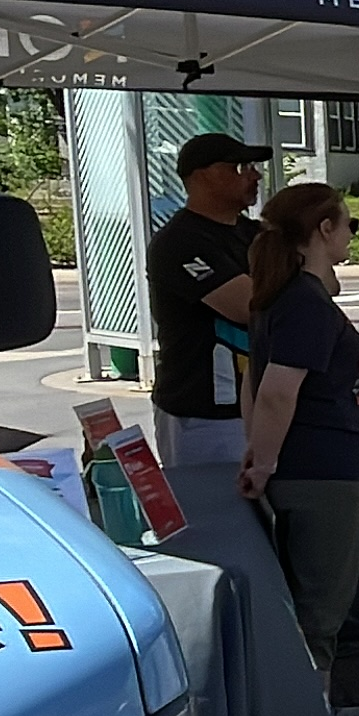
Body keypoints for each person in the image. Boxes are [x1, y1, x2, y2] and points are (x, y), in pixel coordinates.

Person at [237, 183, 359, 716]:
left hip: (306, 465)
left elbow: (254, 385)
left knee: (309, 597)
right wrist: (265, 459)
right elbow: (278, 391)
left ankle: (312, 715)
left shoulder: (277, 297)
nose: (353, 235)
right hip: (324, 468)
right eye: (349, 225)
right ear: (323, 230)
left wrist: (257, 455)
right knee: (322, 603)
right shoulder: (304, 301)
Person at [144, 131, 269, 470]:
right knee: (214, 515)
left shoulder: (254, 234)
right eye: (240, 167)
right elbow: (247, 306)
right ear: (202, 175)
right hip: (205, 413)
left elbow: (321, 285)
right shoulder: (179, 242)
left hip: (258, 403)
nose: (255, 175)